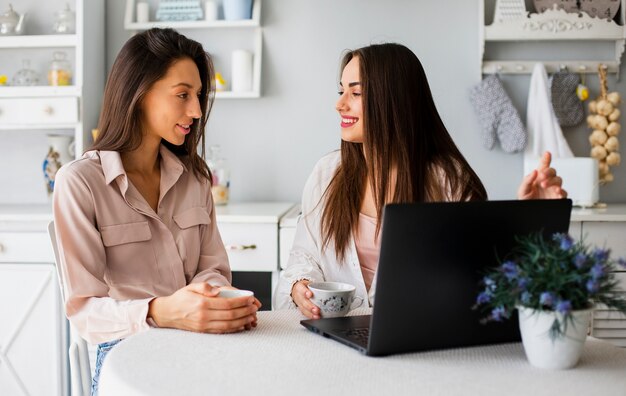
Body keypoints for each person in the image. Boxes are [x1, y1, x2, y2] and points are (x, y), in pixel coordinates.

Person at [273, 43, 566, 319]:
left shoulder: (449, 181)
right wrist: (301, 284)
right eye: (341, 91)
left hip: (419, 344)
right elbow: (304, 254)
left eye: (356, 93)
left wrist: (531, 221)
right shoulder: (327, 174)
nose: (339, 104)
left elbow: (485, 279)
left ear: (394, 100)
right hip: (335, 342)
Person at [52, 28, 260, 395]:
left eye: (198, 96)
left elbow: (213, 269)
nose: (196, 110)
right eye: (182, 95)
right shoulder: (80, 183)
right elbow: (85, 311)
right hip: (125, 351)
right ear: (139, 92)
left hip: (197, 342)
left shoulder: (195, 177)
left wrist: (213, 302)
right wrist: (160, 311)